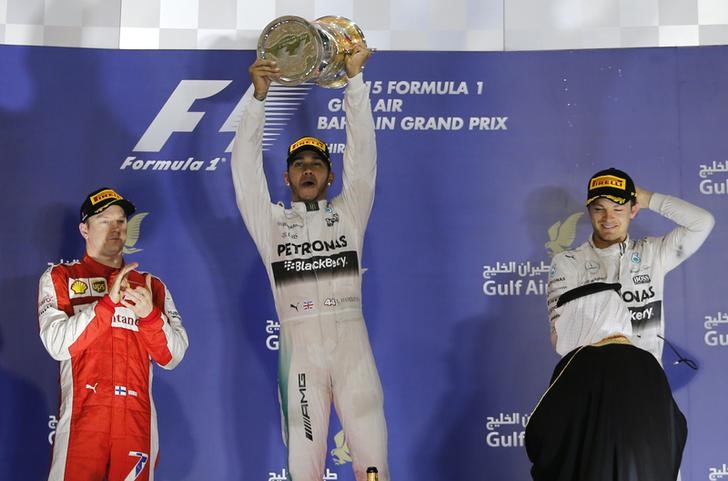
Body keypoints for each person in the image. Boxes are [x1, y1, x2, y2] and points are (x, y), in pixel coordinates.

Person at [230, 46, 390, 481]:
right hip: (299, 351)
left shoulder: (351, 212)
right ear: (286, 177)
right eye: (298, 164)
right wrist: (258, 99)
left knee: (373, 462)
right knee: (305, 465)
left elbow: (364, 162)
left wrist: (355, 83)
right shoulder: (272, 225)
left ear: (329, 176)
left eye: (316, 164)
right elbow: (244, 174)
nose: (307, 170)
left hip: (352, 343)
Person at [38, 187, 189, 481]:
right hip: (83, 420)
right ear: (84, 229)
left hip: (136, 421)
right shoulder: (60, 277)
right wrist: (106, 304)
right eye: (105, 219)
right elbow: (58, 345)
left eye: (121, 220)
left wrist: (149, 317)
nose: (116, 227)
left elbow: (173, 356)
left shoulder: (151, 285)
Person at [547, 167, 714, 362]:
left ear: (633, 210)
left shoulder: (652, 253)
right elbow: (559, 338)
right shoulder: (568, 262)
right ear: (589, 212)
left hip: (647, 381)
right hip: (591, 379)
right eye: (599, 209)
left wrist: (648, 198)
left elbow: (702, 222)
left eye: (618, 209)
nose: (608, 218)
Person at [526, 282, 687, 481]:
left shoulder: (578, 363)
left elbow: (543, 432)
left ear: (583, 317)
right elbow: (677, 429)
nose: (559, 329)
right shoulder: (649, 363)